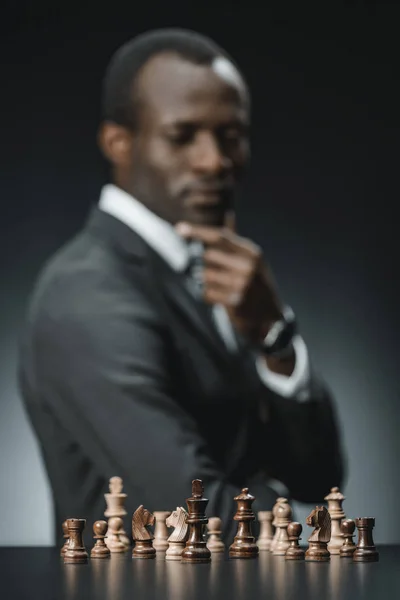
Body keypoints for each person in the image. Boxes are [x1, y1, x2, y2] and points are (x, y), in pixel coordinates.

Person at [18, 28, 345, 544]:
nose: (214, 160)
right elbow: (201, 515)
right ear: (117, 143)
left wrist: (273, 336)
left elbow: (318, 476)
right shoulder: (87, 294)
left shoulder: (216, 273)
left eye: (231, 135)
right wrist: (293, 514)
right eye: (182, 135)